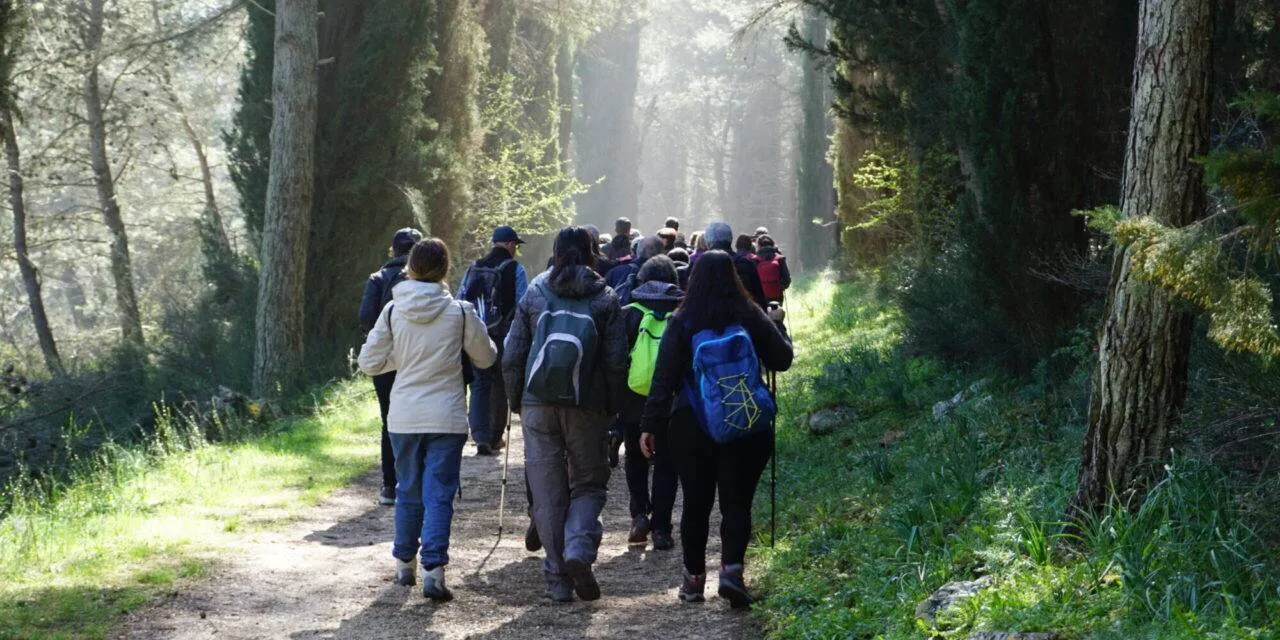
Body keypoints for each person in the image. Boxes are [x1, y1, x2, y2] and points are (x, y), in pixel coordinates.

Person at [639, 250, 792, 608]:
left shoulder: (683, 320)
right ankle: (731, 572)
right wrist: (777, 322)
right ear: (734, 276)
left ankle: (693, 581)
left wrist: (649, 426)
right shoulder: (749, 314)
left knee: (696, 504)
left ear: (693, 278)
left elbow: (663, 380)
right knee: (737, 502)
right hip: (745, 421)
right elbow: (782, 360)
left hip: (691, 424)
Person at [359, 237, 498, 602]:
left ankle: (404, 564)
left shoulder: (392, 310)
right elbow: (485, 359)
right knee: (439, 495)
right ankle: (433, 570)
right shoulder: (461, 311)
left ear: (410, 267)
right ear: (444, 269)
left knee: (408, 491)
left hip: (403, 416)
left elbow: (369, 362)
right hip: (446, 416)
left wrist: (402, 362)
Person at [502, 227, 629, 603]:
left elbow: (512, 354)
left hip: (537, 402)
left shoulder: (536, 291)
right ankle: (578, 548)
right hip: (586, 407)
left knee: (547, 493)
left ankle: (557, 577)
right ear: (593, 255)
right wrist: (612, 409)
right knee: (589, 485)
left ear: (555, 253)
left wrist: (516, 401)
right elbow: (616, 363)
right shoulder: (606, 298)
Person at [619, 255, 683, 551]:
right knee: (668, 464)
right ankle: (662, 528)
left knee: (635, 458)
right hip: (671, 402)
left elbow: (616, 362)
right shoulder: (681, 315)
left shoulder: (628, 314)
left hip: (634, 402)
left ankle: (639, 515)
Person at [358, 227, 423, 506]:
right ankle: (416, 481)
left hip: (386, 363)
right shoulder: (426, 281)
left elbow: (365, 318)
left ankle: (389, 485)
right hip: (418, 359)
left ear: (392, 251)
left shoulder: (378, 278)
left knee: (390, 420)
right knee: (420, 419)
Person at [459, 226, 529, 456]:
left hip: (475, 334)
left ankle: (479, 436)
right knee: (500, 384)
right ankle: (495, 436)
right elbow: (522, 304)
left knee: (478, 385)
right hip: (502, 335)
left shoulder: (474, 267)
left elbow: (460, 299)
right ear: (509, 244)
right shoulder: (515, 269)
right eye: (515, 245)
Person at [705, 222, 768, 308]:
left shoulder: (702, 265)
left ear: (708, 241)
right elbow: (759, 299)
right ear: (730, 239)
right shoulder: (745, 263)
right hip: (742, 317)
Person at [753, 235, 792, 304]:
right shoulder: (780, 258)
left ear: (758, 245)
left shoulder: (755, 260)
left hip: (761, 298)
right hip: (777, 297)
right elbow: (787, 281)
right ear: (773, 244)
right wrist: (780, 287)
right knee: (777, 313)